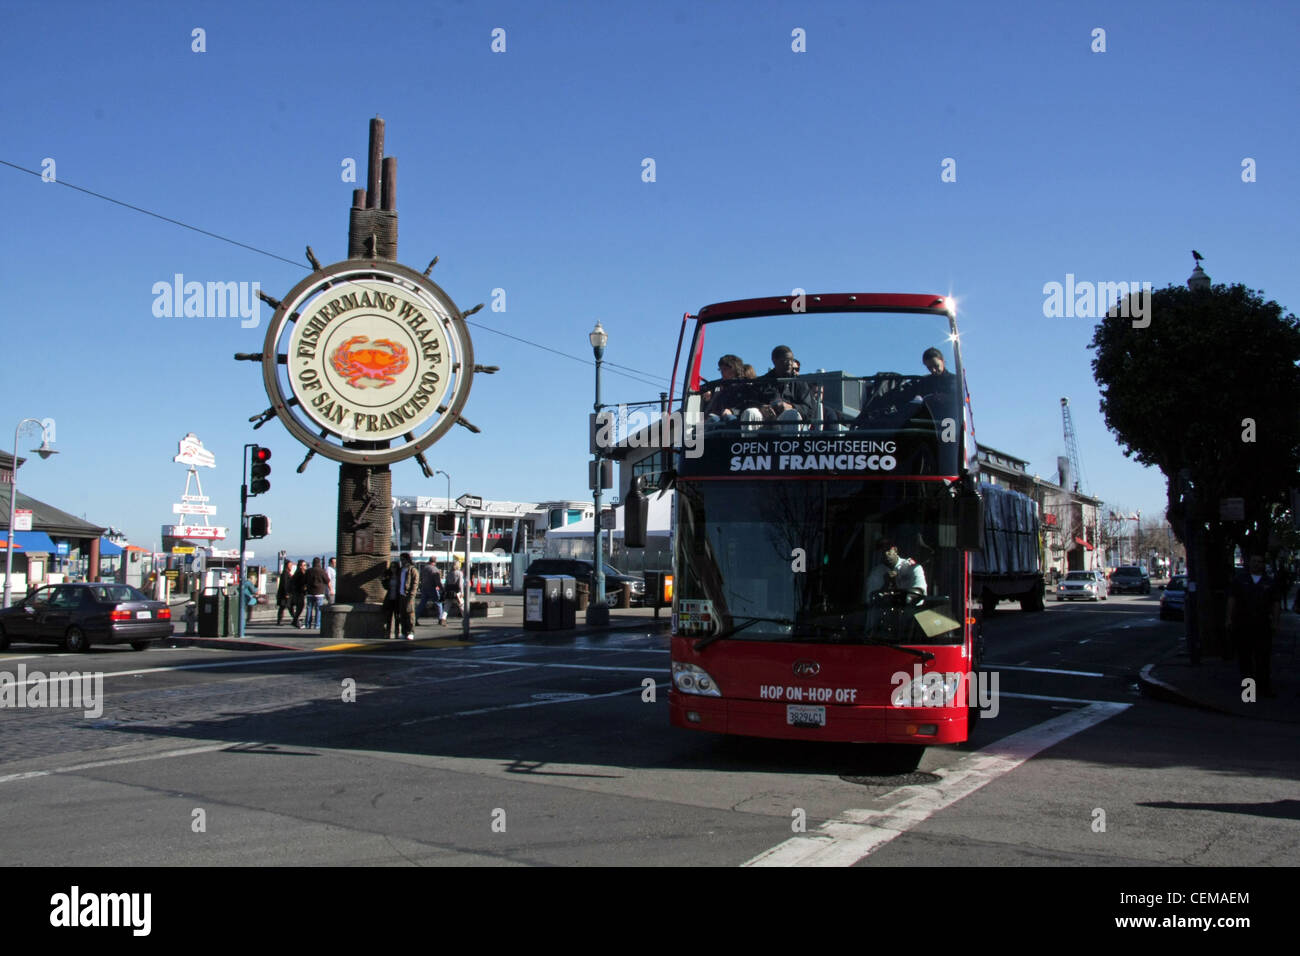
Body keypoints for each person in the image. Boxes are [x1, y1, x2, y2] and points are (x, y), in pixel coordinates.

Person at [1226, 552, 1281, 698]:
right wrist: (1229, 619)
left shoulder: (1269, 582)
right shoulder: (1240, 580)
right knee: (1245, 658)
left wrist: (1275, 622)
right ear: (1249, 563)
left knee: (1263, 658)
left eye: (1260, 561)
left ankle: (1264, 688)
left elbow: (1276, 604)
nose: (1257, 564)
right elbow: (1232, 600)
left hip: (1262, 624)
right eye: (1254, 561)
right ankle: (1249, 691)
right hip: (1243, 624)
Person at [740, 345, 815, 430]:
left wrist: (790, 406)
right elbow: (747, 402)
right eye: (786, 360)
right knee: (750, 412)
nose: (790, 363)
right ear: (774, 361)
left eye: (791, 360)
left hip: (786, 420)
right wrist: (761, 407)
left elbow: (809, 410)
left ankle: (788, 443)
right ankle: (749, 443)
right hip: (764, 420)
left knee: (792, 414)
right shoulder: (761, 382)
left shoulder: (800, 384)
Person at [304, 557, 330, 630]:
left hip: (310, 592)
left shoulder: (308, 571)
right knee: (318, 609)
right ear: (319, 563)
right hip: (319, 592)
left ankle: (307, 624)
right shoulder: (322, 571)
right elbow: (327, 580)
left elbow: (304, 580)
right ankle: (317, 624)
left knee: (309, 608)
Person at [416, 560, 444, 626]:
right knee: (438, 603)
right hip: (432, 588)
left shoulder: (424, 568)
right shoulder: (435, 569)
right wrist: (442, 589)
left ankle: (415, 618)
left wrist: (420, 586)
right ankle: (440, 619)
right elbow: (438, 581)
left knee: (422, 604)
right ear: (434, 562)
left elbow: (420, 578)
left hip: (424, 588)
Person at [290, 560, 308, 628]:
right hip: (299, 593)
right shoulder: (300, 573)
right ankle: (295, 621)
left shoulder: (297, 573)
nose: (305, 567)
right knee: (300, 607)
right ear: (301, 566)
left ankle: (295, 620)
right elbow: (302, 583)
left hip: (297, 592)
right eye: (304, 565)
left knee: (299, 607)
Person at [275, 560, 293, 625]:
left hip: (284, 593)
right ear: (286, 566)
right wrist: (286, 593)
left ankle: (279, 621)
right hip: (284, 594)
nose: (291, 566)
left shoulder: (286, 573)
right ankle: (295, 619)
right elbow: (285, 584)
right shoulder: (285, 574)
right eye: (290, 565)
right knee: (287, 607)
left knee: (284, 607)